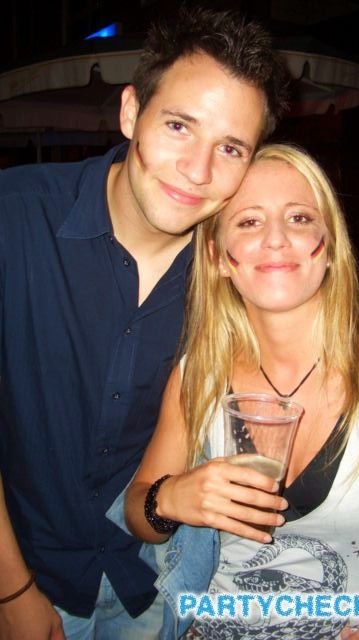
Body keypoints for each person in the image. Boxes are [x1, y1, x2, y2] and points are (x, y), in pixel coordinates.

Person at [0, 7, 290, 640]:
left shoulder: (234, 273)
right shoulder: (14, 218)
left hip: (155, 582)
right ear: (132, 112)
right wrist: (11, 591)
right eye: (179, 126)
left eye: (230, 148)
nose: (198, 170)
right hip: (26, 578)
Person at [125, 143, 359, 639]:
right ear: (217, 257)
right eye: (249, 221)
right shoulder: (198, 375)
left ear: (329, 245)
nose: (275, 239)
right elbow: (138, 511)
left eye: (298, 218)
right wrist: (170, 499)